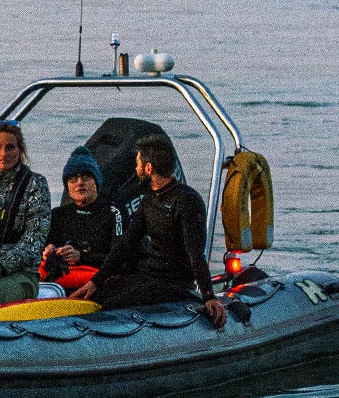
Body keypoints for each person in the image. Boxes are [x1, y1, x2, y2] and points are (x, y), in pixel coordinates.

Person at [90, 133, 227, 327]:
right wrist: (96, 280)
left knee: (112, 306)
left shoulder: (187, 200)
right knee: (100, 296)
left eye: (138, 164)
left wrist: (208, 295)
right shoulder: (149, 199)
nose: (136, 169)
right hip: (146, 276)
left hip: (173, 282)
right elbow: (126, 244)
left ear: (148, 167)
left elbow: (195, 253)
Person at [0, 118, 52, 306]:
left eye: (10, 147)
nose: (3, 154)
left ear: (20, 150)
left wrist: (0, 268)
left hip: (19, 273)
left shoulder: (36, 184)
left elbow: (34, 239)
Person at [40, 147, 117, 293]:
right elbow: (42, 248)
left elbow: (119, 258)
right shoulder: (58, 214)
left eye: (86, 177)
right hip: (61, 279)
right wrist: (49, 250)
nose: (79, 183)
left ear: (96, 182)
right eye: (73, 178)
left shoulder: (113, 213)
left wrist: (81, 257)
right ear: (67, 185)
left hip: (96, 280)